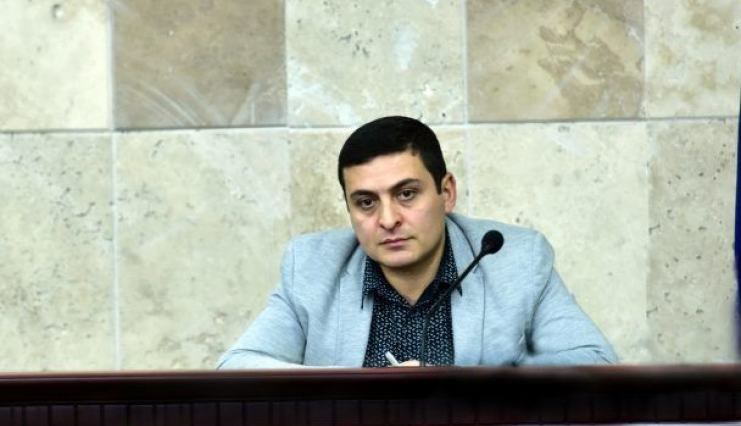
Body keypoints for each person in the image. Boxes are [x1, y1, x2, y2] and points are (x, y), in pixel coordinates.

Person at [217, 116, 617, 369]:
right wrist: (358, 390)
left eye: (406, 194)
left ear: (447, 192)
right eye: (366, 202)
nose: (388, 219)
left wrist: (453, 386)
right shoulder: (311, 266)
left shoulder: (515, 259)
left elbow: (596, 365)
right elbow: (237, 367)